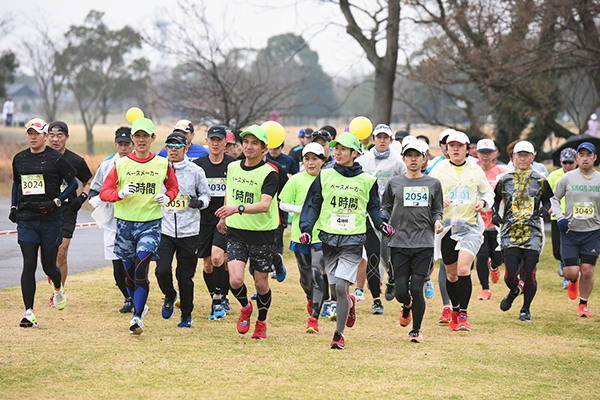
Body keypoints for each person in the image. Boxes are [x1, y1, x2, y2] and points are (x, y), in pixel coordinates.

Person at [299, 131, 395, 349]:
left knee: (341, 287)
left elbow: (374, 209)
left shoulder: (368, 180)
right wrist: (306, 228)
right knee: (336, 289)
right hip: (328, 238)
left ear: (355, 153)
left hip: (353, 239)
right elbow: (312, 205)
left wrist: (382, 224)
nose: (337, 152)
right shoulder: (324, 176)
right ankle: (350, 303)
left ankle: (338, 335)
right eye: (335, 148)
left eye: (343, 149)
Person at [100, 118, 179, 334]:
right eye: (138, 136)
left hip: (150, 224)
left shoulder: (163, 164)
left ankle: (136, 317)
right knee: (129, 275)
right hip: (125, 225)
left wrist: (168, 197)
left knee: (142, 269)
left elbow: (173, 187)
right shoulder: (121, 164)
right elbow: (104, 193)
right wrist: (120, 193)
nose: (141, 140)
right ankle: (139, 308)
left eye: (146, 136)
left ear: (153, 138)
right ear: (132, 138)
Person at [215, 124, 280, 340]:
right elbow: (230, 193)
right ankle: (245, 308)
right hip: (236, 232)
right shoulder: (233, 167)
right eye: (246, 142)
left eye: (255, 143)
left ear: (264, 148)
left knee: (261, 284)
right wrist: (225, 215)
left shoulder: (270, 172)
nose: (249, 146)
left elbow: (264, 205)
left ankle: (261, 322)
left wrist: (237, 209)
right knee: (235, 280)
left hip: (262, 234)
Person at [11, 118, 78, 327]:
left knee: (49, 266)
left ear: (45, 136)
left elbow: (73, 183)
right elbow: (17, 183)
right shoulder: (19, 159)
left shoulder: (56, 158)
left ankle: (58, 287)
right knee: (29, 263)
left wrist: (56, 201)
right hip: (27, 218)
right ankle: (29, 312)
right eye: (29, 133)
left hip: (50, 220)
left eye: (37, 133)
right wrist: (14, 207)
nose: (32, 137)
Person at [430, 131, 494, 331]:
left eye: (460, 146)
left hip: (470, 227)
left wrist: (483, 202)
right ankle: (455, 310)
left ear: (468, 149)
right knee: (451, 276)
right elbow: (427, 194)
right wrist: (438, 202)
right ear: (446, 149)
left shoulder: (475, 170)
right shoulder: (438, 170)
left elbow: (487, 192)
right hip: (447, 228)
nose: (456, 149)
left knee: (463, 269)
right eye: (452, 146)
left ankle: (464, 314)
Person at [382, 140, 444, 342]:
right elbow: (386, 207)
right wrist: (383, 221)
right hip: (398, 242)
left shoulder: (433, 183)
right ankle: (406, 305)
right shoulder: (394, 182)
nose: (413, 159)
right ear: (403, 158)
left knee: (417, 287)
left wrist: (437, 222)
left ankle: (416, 330)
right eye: (409, 155)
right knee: (401, 291)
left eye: (417, 155)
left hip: (423, 243)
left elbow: (437, 210)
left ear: (425, 158)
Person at [493, 141, 553, 321]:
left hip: (532, 232)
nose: (523, 158)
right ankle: (513, 291)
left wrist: (546, 209)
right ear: (513, 157)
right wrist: (495, 214)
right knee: (510, 274)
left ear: (533, 157)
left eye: (526, 155)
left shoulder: (540, 179)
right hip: (510, 232)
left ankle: (525, 309)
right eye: (519, 155)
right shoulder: (505, 179)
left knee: (529, 271)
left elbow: (549, 199)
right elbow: (495, 200)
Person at [155, 132, 210, 327]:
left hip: (189, 231)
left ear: (186, 148)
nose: (173, 149)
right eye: (169, 145)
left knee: (184, 277)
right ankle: (170, 295)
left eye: (178, 146)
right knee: (161, 271)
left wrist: (198, 202)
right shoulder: (159, 169)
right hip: (165, 230)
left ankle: (186, 314)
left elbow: (206, 197)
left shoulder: (196, 171)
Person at [355, 124, 406, 314]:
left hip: (390, 214)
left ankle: (392, 277)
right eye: (379, 137)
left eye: (386, 138)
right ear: (373, 139)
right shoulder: (362, 161)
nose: (382, 141)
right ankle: (377, 300)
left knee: (387, 255)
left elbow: (404, 183)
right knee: (373, 257)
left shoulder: (397, 162)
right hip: (367, 215)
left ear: (391, 141)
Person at [279, 142, 327, 333]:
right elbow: (282, 203)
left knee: (317, 274)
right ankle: (310, 297)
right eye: (307, 159)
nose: (311, 163)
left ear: (322, 161)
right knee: (306, 278)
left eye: (315, 159)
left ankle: (313, 318)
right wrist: (300, 209)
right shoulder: (296, 180)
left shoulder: (329, 179)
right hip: (301, 235)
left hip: (322, 234)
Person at [550, 142, 600, 318]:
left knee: (587, 269)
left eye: (589, 155)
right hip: (570, 232)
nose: (585, 158)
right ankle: (572, 280)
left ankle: (583, 304)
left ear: (594, 158)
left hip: (593, 232)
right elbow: (554, 199)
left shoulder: (599, 179)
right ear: (577, 158)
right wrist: (561, 218)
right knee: (572, 271)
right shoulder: (568, 178)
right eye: (582, 155)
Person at [88, 127, 135, 313]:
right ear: (116, 144)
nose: (123, 148)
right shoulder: (108, 164)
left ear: (132, 144)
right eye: (120, 144)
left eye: (127, 144)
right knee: (117, 267)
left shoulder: (143, 166)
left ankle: (137, 296)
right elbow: (94, 190)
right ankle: (128, 298)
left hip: (136, 221)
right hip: (112, 222)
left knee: (134, 264)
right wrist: (98, 199)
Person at [46, 121, 92, 306]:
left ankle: (58, 293)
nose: (55, 139)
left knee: (61, 252)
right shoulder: (41, 157)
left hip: (67, 210)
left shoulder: (76, 160)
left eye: (60, 136)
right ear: (47, 136)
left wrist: (81, 199)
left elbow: (89, 181)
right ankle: (53, 273)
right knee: (47, 255)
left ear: (66, 137)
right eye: (52, 135)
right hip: (45, 210)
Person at [194, 125, 238, 319]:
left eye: (219, 140)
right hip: (203, 220)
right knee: (207, 265)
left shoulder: (233, 165)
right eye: (212, 139)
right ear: (207, 141)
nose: (215, 143)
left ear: (224, 143)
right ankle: (216, 296)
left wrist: (229, 216)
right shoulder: (198, 165)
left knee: (219, 258)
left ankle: (219, 298)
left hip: (225, 219)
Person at [474, 139, 507, 300]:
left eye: (488, 153)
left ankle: (494, 266)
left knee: (498, 257)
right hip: (478, 222)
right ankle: (485, 289)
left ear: (494, 153)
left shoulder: (502, 172)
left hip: (497, 223)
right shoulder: (473, 171)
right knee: (481, 256)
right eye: (482, 153)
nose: (485, 156)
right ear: (477, 154)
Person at [547, 148, 577, 290]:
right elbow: (547, 194)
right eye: (565, 162)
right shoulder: (553, 176)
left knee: (572, 250)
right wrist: (548, 206)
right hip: (557, 217)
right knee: (557, 251)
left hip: (576, 217)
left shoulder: (581, 176)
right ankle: (561, 262)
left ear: (576, 162)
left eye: (571, 162)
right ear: (560, 162)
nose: (568, 165)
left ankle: (569, 278)